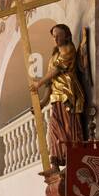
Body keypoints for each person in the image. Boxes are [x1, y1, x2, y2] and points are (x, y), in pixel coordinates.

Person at [31, 24, 86, 171]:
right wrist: (43, 101)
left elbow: (56, 71)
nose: (55, 38)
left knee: (69, 129)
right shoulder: (53, 56)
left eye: (58, 35)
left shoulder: (68, 49)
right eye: (53, 36)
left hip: (68, 95)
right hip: (55, 98)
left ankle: (73, 160)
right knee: (53, 130)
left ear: (67, 36)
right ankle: (54, 164)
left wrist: (38, 83)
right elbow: (50, 82)